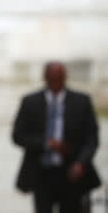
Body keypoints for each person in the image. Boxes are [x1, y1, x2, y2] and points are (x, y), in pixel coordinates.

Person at [12, 61, 101, 213]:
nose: (55, 84)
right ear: (45, 78)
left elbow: (91, 138)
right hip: (41, 172)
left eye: (58, 79)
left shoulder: (81, 101)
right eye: (51, 79)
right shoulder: (31, 102)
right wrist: (45, 143)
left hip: (71, 170)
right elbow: (18, 136)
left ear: (64, 78)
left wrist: (81, 163)